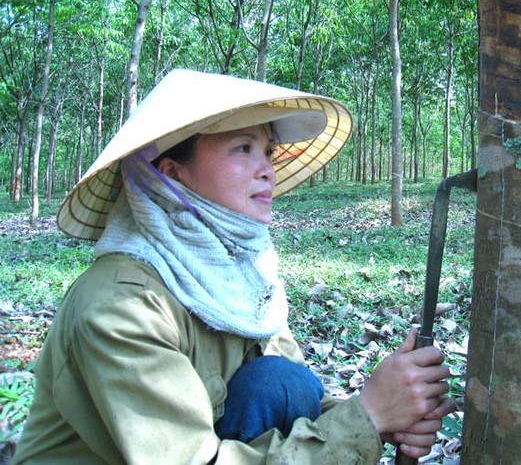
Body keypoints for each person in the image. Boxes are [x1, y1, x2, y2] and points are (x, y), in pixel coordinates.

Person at [14, 69, 456, 464]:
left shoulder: (242, 278)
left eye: (267, 151)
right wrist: (369, 415)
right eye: (243, 148)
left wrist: (383, 414)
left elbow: (301, 392)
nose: (267, 170)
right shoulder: (121, 306)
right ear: (173, 173)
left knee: (282, 382)